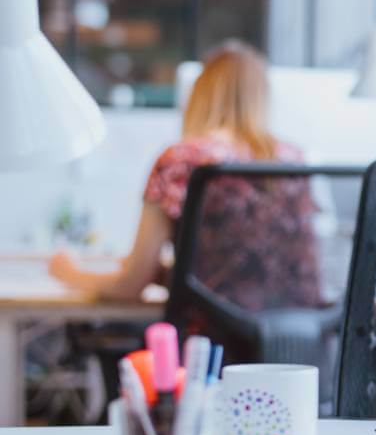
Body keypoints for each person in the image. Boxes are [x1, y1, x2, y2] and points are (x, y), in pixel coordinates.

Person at [49, 40, 319, 309]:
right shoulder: (293, 160)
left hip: (210, 344)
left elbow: (129, 286)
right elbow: (255, 273)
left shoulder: (181, 160)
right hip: (301, 341)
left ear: (200, 95)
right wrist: (167, 274)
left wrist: (69, 273)